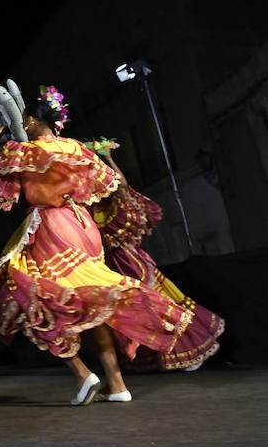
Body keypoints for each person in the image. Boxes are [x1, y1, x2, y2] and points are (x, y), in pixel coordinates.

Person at [0, 85, 194, 405]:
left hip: (52, 225)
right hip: (82, 223)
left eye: (23, 118)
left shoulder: (27, 151)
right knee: (92, 301)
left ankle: (82, 373)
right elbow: (107, 182)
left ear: (28, 123)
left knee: (30, 294)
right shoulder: (75, 147)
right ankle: (117, 384)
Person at [89, 140, 224, 372]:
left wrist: (106, 157)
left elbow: (121, 184)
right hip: (111, 265)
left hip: (129, 261)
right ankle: (153, 356)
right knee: (133, 313)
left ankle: (186, 349)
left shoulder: (112, 207)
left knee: (156, 305)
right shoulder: (90, 210)